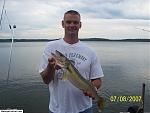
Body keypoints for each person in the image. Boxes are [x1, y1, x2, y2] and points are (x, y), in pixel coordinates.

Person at [38, 10, 104, 113]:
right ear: (62, 24)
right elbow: (46, 80)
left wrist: (93, 89)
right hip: (57, 109)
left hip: (84, 109)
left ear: (80, 25)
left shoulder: (90, 51)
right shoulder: (50, 47)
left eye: (75, 22)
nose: (72, 25)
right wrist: (50, 67)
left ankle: (99, 101)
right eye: (68, 22)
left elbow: (97, 80)